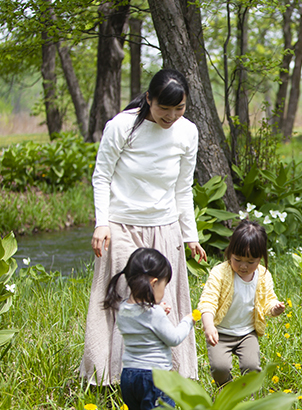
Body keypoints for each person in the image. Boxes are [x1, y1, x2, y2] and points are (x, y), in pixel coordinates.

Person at [80, 69, 207, 385]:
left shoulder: (187, 132)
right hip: (123, 227)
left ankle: (169, 377)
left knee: (162, 304)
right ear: (149, 99)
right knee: (126, 300)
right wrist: (102, 223)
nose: (172, 116)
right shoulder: (122, 126)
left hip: (165, 229)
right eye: (165, 109)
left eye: (179, 109)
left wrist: (190, 235)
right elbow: (101, 177)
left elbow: (183, 187)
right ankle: (113, 377)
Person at [104, 248, 194, 410]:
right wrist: (188, 320)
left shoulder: (123, 308)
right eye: (163, 286)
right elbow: (174, 339)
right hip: (155, 378)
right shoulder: (154, 314)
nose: (163, 291)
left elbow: (142, 322)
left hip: (129, 377)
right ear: (153, 283)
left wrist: (157, 309)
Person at [198, 220, 285, 385]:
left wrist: (275, 309)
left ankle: (249, 396)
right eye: (237, 259)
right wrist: (209, 326)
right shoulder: (220, 273)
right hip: (221, 333)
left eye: (251, 262)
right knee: (219, 367)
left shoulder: (263, 275)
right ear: (230, 253)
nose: (243, 266)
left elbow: (268, 301)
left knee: (252, 367)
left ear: (260, 258)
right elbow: (208, 301)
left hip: (247, 333)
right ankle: (226, 389)